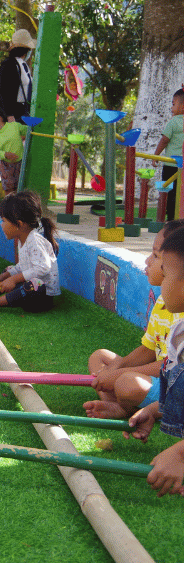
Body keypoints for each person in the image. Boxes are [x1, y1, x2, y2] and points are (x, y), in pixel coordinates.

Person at [84, 220, 184, 420]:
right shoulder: (164, 301)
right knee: (100, 357)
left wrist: (121, 373)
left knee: (127, 383)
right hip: (161, 376)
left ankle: (124, 407)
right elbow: (148, 349)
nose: (148, 261)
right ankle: (114, 404)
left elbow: (168, 367)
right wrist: (116, 368)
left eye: (156, 256)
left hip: (170, 382)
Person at [125, 226, 184, 496]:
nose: (163, 280)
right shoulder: (178, 330)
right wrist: (154, 411)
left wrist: (180, 455)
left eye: (168, 273)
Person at [0, 190, 59, 311]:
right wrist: (3, 277)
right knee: (8, 270)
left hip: (41, 297)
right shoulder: (22, 239)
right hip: (27, 289)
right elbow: (21, 267)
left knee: (33, 284)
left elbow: (43, 268)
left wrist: (12, 279)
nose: (1, 225)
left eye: (3, 220)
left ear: (19, 224)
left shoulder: (35, 240)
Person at [0, 29, 35, 187]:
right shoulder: (8, 64)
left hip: (22, 111)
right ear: (26, 49)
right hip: (9, 112)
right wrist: (9, 115)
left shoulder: (24, 65)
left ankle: (18, 184)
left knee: (19, 148)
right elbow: (5, 91)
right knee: (2, 147)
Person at [154, 88, 184, 221]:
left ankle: (171, 220)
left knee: (169, 193)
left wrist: (156, 155)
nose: (171, 107)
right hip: (182, 166)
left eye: (173, 104)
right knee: (180, 194)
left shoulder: (174, 121)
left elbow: (165, 140)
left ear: (182, 107)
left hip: (170, 165)